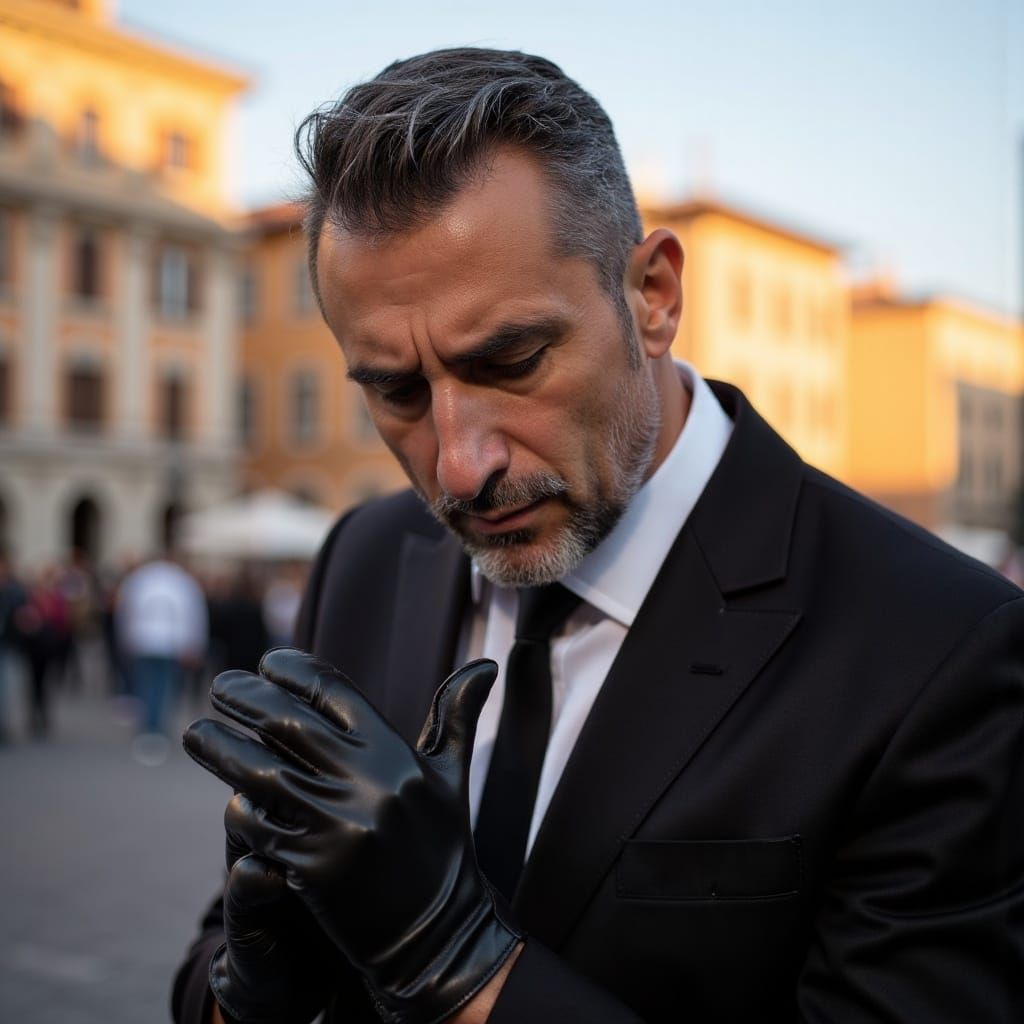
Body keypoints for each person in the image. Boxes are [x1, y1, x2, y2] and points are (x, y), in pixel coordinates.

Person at [174, 49, 1024, 1023]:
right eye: (397, 391)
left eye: (511, 359)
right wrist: (252, 990)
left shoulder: (938, 648)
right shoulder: (367, 557)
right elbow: (218, 945)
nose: (458, 464)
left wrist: (461, 965)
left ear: (652, 295)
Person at [116, 553, 207, 763]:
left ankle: (148, 727)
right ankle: (156, 728)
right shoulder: (183, 581)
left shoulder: (140, 579)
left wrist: (126, 639)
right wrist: (194, 644)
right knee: (164, 687)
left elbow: (126, 612)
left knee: (146, 685)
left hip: (144, 639)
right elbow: (193, 615)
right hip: (171, 642)